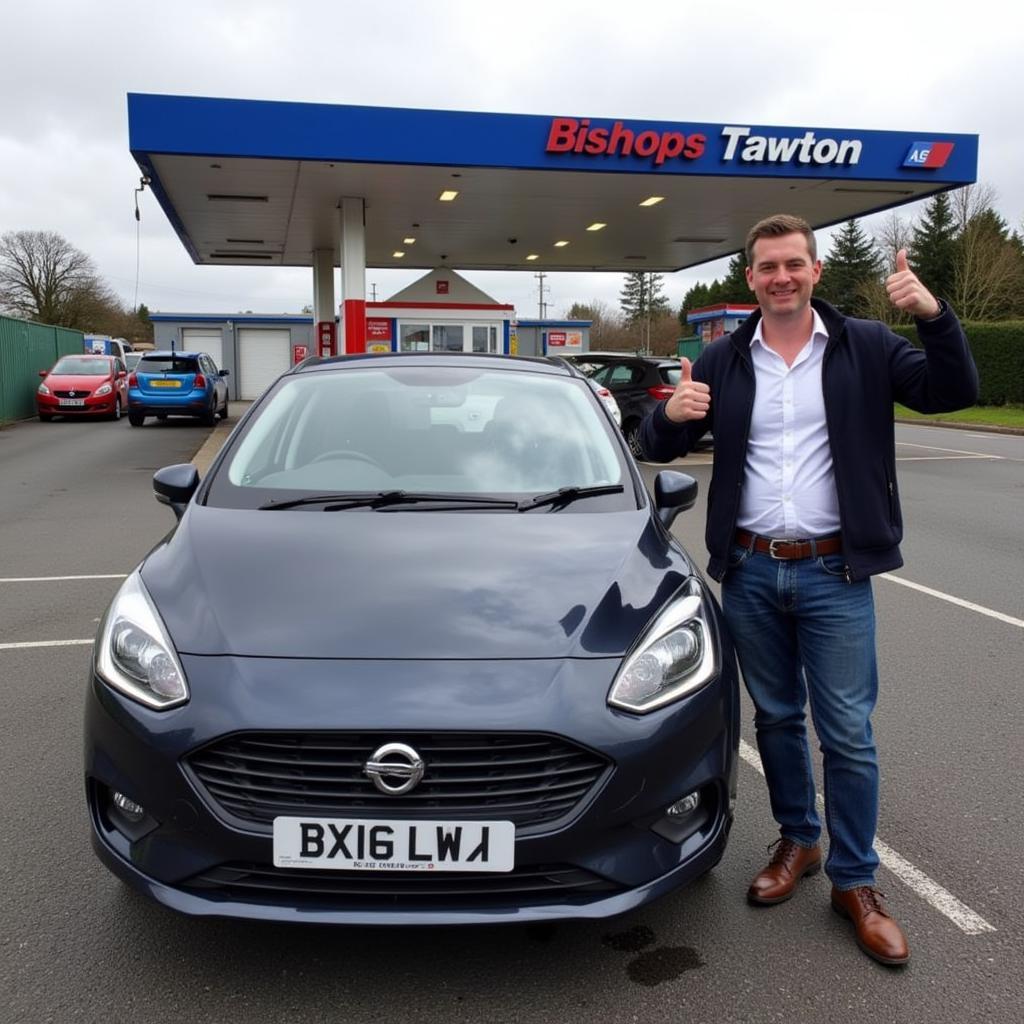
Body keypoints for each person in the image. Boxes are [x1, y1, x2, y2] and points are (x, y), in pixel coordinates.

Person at [640, 214, 978, 966]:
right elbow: (658, 444)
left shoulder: (867, 344)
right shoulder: (725, 359)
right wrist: (669, 416)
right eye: (767, 267)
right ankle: (800, 840)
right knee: (779, 720)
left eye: (794, 263)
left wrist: (933, 316)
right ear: (751, 278)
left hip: (836, 571)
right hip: (752, 570)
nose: (781, 277)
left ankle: (856, 881)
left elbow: (952, 391)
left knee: (849, 734)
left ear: (815, 271)